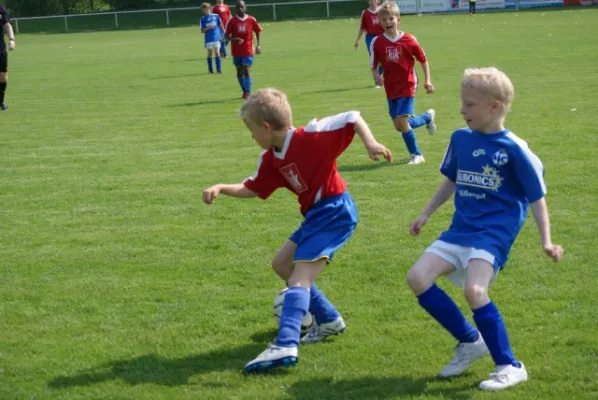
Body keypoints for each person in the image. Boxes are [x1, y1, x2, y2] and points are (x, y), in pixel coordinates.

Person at [202, 88, 392, 373]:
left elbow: (352, 117)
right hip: (316, 215)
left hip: (335, 210)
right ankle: (328, 321)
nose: (251, 136)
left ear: (266, 127)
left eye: (251, 130)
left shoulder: (312, 136)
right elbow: (253, 187)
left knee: (300, 277)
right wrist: (221, 188)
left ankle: (286, 342)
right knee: (281, 264)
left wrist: (371, 142)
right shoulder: (271, 159)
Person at [406, 67, 564, 391]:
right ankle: (469, 341)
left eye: (469, 104)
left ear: (494, 106)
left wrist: (546, 240)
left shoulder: (515, 149)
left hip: (492, 235)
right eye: (462, 103)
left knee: (475, 292)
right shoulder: (460, 138)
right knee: (417, 278)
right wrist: (425, 214)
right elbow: (451, 180)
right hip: (459, 230)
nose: (462, 110)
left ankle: (509, 365)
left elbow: (537, 197)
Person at [370, 1, 436, 165]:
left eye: (391, 19)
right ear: (380, 22)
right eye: (384, 20)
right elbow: (374, 65)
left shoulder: (409, 40)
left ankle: (417, 155)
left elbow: (423, 60)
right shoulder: (377, 42)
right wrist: (378, 77)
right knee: (399, 126)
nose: (387, 23)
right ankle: (427, 117)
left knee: (402, 122)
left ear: (398, 19)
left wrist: (427, 80)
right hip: (391, 88)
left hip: (407, 84)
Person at [224, 0, 262, 100]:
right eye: (237, 7)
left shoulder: (251, 19)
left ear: (245, 8)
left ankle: (248, 92)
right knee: (239, 72)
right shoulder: (232, 21)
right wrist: (234, 39)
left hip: (248, 49)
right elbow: (226, 35)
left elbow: (258, 31)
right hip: (236, 50)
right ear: (235, 9)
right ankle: (245, 91)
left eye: (241, 7)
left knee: (246, 69)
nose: (239, 9)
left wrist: (258, 45)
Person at [354, 0, 384, 88]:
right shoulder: (365, 13)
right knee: (375, 59)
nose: (372, 1)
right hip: (370, 38)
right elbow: (362, 27)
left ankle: (380, 77)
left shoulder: (382, 11)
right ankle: (377, 82)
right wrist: (357, 40)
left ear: (378, 1)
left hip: (382, 37)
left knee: (383, 59)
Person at [200, 3, 225, 74]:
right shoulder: (203, 19)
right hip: (208, 39)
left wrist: (224, 33)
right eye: (203, 10)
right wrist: (208, 28)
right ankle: (210, 69)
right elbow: (202, 30)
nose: (205, 11)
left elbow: (220, 25)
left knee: (217, 53)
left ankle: (219, 69)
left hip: (216, 38)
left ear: (210, 9)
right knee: (210, 54)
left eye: (206, 9)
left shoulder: (216, 16)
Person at [0, 5, 15, 111]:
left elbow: (7, 24)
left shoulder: (0, 8)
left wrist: (11, 39)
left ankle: (1, 101)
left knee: (3, 77)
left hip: (0, 48)